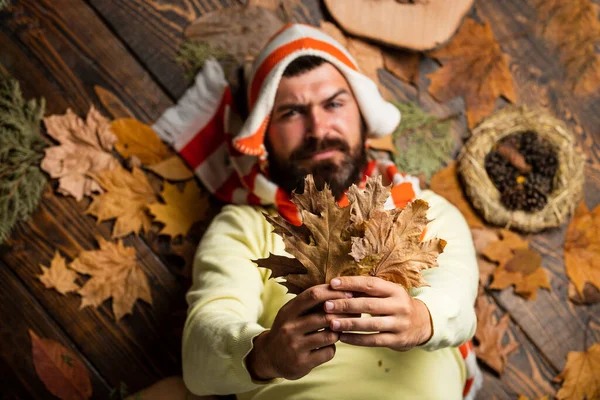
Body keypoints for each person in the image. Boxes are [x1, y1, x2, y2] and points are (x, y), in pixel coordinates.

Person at [153, 23, 482, 400]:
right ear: (265, 135)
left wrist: (423, 318)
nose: (317, 128)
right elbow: (200, 356)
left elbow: (457, 302)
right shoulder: (245, 227)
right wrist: (264, 355)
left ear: (361, 113)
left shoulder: (423, 211)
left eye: (334, 103)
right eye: (292, 112)